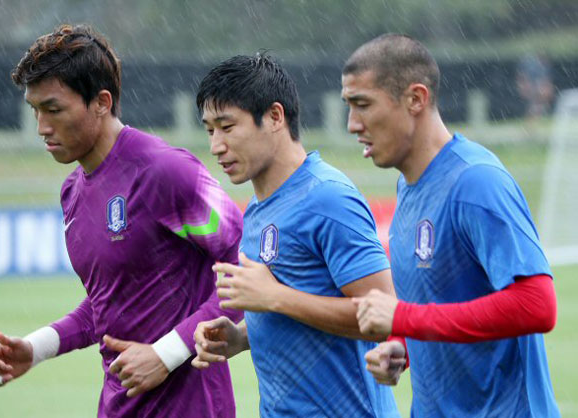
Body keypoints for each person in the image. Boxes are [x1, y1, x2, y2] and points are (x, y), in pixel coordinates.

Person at [0, 24, 244, 417]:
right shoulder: (72, 191)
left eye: (53, 109)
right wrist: (36, 348)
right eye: (35, 111)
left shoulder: (166, 172)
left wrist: (167, 353)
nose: (41, 127)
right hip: (119, 406)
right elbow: (108, 304)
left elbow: (246, 271)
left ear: (102, 102)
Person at [344, 34, 560, 417]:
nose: (352, 124)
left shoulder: (477, 182)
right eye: (349, 106)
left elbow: (537, 305)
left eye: (363, 105)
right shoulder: (408, 187)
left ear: (416, 99)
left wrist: (403, 319)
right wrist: (402, 345)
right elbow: (440, 305)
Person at [191, 53, 401, 418]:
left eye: (227, 126)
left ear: (275, 117)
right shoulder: (257, 209)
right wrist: (241, 337)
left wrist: (275, 297)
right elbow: (293, 305)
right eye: (210, 130)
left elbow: (384, 317)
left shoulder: (328, 197)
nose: (216, 146)